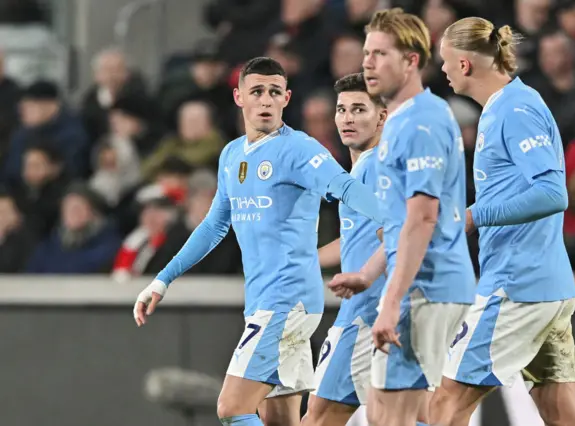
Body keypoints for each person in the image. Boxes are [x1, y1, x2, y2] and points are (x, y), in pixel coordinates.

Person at [132, 57, 382, 426]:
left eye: (274, 92)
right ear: (239, 97)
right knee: (279, 420)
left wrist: (397, 219)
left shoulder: (300, 148)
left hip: (286, 301)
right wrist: (163, 278)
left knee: (232, 408)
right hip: (265, 301)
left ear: (286, 98)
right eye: (257, 92)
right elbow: (215, 225)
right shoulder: (232, 155)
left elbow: (343, 186)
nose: (266, 100)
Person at [431, 16, 575, 426]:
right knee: (564, 413)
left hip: (517, 285)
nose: (442, 70)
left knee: (444, 403)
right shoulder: (509, 105)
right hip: (545, 285)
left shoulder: (516, 109)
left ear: (465, 64)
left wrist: (475, 214)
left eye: (445, 61)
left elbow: (553, 193)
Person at [328, 9, 475, 426]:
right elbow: (398, 226)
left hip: (427, 288)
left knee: (395, 416)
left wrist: (389, 302)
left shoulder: (421, 122)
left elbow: (422, 219)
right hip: (420, 286)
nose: (368, 63)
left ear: (411, 60)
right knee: (392, 414)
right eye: (367, 53)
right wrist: (368, 276)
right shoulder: (401, 123)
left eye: (381, 54)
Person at [301, 72, 387, 426]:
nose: (348, 118)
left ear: (382, 116)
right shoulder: (360, 169)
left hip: (367, 312)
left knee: (319, 418)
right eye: (341, 109)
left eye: (358, 109)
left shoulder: (376, 166)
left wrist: (369, 279)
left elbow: (396, 235)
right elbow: (358, 236)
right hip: (379, 309)